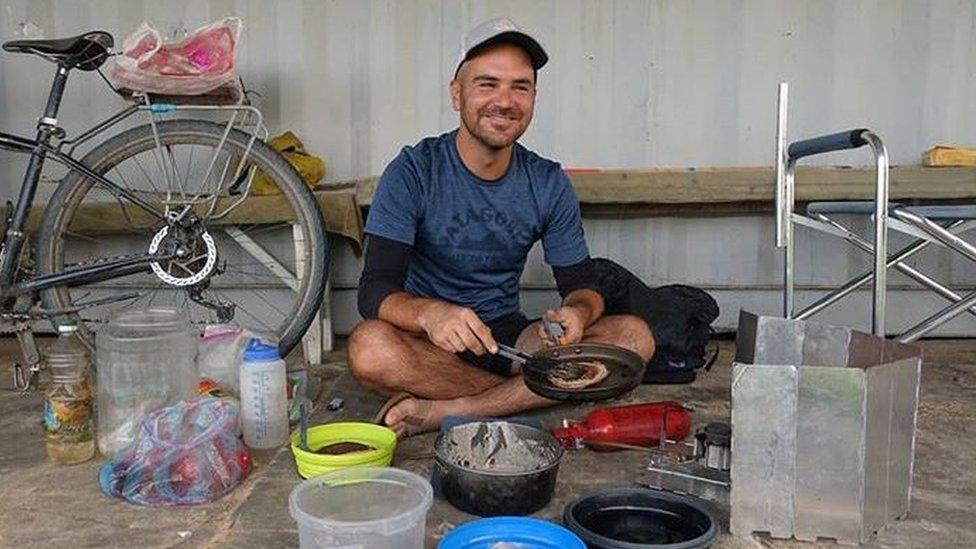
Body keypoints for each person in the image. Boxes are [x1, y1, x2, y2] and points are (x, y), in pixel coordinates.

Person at [347, 17, 654, 438]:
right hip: (427, 346)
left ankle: (451, 410)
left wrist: (578, 313)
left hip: (510, 341)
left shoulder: (546, 181)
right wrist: (431, 313)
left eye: (520, 86)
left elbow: (582, 284)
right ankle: (533, 394)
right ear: (457, 94)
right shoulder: (414, 171)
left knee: (635, 337)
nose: (504, 101)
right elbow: (375, 289)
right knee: (368, 348)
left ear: (533, 97)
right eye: (487, 84)